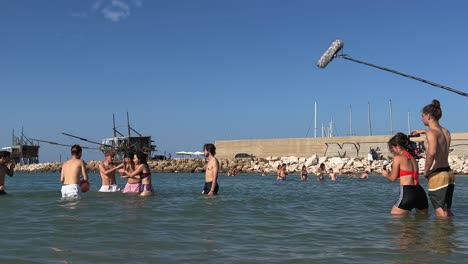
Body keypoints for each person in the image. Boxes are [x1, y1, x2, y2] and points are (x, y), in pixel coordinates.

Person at [411, 99, 454, 218]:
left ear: (428, 116)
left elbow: (432, 152)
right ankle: (450, 234)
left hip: (438, 174)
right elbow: (437, 135)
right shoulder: (446, 131)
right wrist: (424, 132)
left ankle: (440, 237)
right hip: (448, 173)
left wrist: (426, 171)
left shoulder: (431, 132)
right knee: (446, 210)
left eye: (422, 116)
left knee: (440, 212)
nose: (421, 118)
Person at [381, 132, 428, 216]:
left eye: (392, 149)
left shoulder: (398, 158)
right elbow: (408, 174)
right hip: (420, 192)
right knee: (421, 222)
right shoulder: (413, 158)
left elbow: (393, 178)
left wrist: (385, 174)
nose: (392, 151)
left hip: (408, 192)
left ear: (398, 146)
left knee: (395, 216)